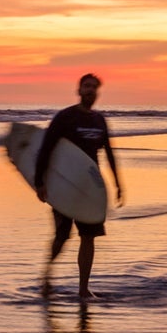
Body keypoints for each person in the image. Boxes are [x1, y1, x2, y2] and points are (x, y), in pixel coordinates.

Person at [35, 73, 123, 300]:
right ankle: (47, 274)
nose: (90, 90)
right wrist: (39, 182)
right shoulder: (65, 117)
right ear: (79, 90)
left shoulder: (99, 120)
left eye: (94, 87)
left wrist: (117, 183)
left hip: (89, 189)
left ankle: (84, 288)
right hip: (65, 187)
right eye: (87, 86)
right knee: (63, 236)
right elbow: (46, 149)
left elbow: (109, 153)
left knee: (88, 237)